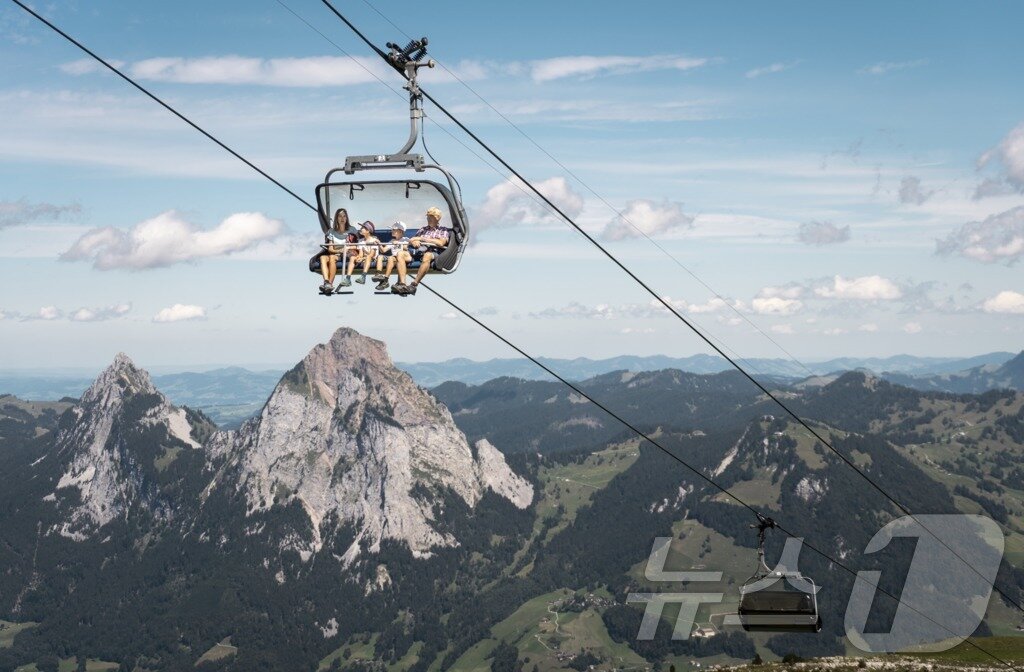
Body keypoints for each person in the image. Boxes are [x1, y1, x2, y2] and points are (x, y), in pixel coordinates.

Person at [394, 206, 450, 295]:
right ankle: (402, 284)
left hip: (433, 252)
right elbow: (413, 239)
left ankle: (414, 284)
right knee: (400, 253)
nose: (428, 219)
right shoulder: (423, 229)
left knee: (427, 255)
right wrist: (414, 241)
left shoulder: (442, 230)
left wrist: (423, 239)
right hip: (418, 251)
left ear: (437, 218)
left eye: (431, 217)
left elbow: (441, 243)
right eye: (428, 217)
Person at [318, 208, 351, 293]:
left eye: (344, 216)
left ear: (346, 218)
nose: (342, 218)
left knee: (332, 257)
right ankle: (326, 282)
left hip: (345, 255)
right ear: (337, 218)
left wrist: (344, 250)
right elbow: (330, 248)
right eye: (340, 216)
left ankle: (330, 284)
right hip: (336, 254)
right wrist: (340, 250)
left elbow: (354, 244)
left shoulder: (351, 230)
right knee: (323, 258)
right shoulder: (332, 232)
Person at [372, 221, 411, 291]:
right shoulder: (392, 240)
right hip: (395, 258)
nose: (392, 231)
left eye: (394, 230)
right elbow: (383, 250)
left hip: (405, 257)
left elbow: (406, 248)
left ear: (400, 231)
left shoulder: (405, 239)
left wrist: (398, 243)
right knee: (390, 258)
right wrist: (379, 243)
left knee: (397, 255)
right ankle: (386, 280)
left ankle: (388, 281)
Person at [338, 221, 379, 286]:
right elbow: (361, 253)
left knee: (368, 257)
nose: (360, 229)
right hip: (364, 258)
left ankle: (363, 277)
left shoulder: (374, 240)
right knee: (352, 257)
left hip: (372, 258)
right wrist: (359, 257)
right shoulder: (361, 241)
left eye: (362, 228)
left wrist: (363, 258)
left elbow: (372, 254)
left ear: (368, 231)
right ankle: (348, 278)